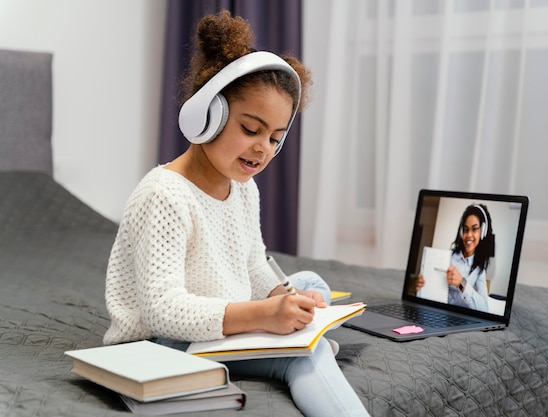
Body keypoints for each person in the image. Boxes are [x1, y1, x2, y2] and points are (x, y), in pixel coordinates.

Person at [103, 11, 369, 417]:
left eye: (275, 138)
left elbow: (252, 266)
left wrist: (282, 297)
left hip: (221, 320)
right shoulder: (165, 194)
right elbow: (162, 310)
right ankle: (304, 355)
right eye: (250, 129)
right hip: (162, 343)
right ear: (208, 115)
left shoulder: (244, 190)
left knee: (307, 285)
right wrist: (262, 314)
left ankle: (297, 339)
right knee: (305, 355)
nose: (263, 148)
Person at [416, 203, 493, 312]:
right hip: (436, 312)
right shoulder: (448, 257)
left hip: (457, 319)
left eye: (474, 229)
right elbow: (429, 292)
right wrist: (421, 287)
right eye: (466, 230)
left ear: (483, 232)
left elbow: (484, 308)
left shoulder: (479, 270)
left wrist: (462, 283)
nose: (469, 235)